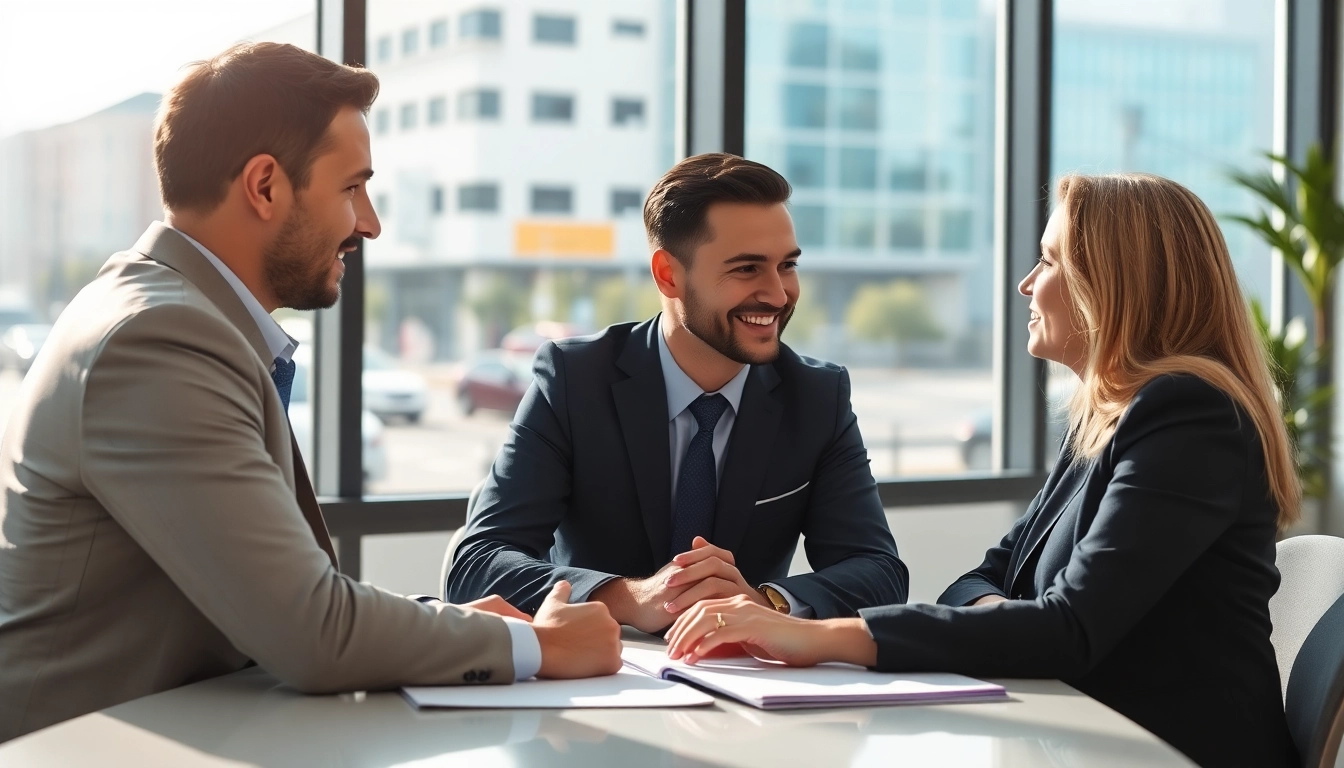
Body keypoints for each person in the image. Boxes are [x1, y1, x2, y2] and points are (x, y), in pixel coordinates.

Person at [0, 42, 620, 743]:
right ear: (265, 186)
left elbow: (280, 602)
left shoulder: (172, 315)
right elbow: (310, 628)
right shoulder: (160, 338)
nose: (371, 222)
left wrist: (469, 627)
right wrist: (539, 647)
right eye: (352, 187)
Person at [662, 173, 1299, 768]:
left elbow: (1068, 630)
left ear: (1112, 284)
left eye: (1049, 261)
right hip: (1080, 735)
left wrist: (818, 636)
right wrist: (1017, 618)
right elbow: (982, 580)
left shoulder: (1190, 416)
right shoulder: (1107, 417)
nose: (1027, 283)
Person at [446, 153, 908, 633]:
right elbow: (478, 563)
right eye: (748, 269)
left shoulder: (817, 395)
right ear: (669, 274)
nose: (777, 294)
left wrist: (765, 603)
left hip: (748, 684)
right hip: (597, 680)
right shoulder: (574, 380)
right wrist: (631, 598)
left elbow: (880, 572)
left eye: (786, 266)